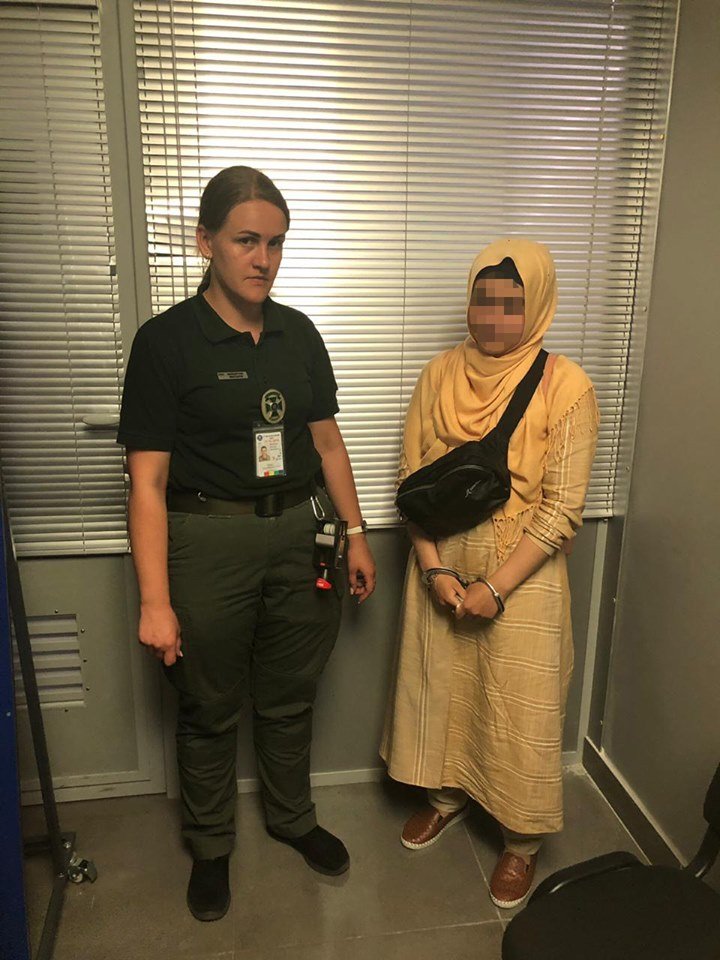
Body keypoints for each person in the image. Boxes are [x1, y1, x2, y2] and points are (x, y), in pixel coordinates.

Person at [117, 166, 375, 921]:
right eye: (246, 241)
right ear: (206, 243)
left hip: (301, 532)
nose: (264, 259)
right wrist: (155, 602)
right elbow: (146, 484)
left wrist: (356, 534)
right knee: (208, 704)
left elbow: (328, 444)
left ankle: (292, 818)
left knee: (292, 694)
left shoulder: (299, 333)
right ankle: (210, 845)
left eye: (276, 243)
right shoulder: (166, 343)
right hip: (207, 540)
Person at [381, 238, 598, 909]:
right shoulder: (438, 375)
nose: (492, 318)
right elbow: (411, 481)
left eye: (510, 305)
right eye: (483, 300)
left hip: (523, 572)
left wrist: (497, 586)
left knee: (517, 704)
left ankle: (521, 840)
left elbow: (562, 507)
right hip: (442, 558)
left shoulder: (566, 385)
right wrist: (433, 571)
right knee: (443, 689)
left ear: (537, 308)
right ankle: (446, 797)